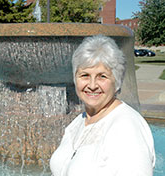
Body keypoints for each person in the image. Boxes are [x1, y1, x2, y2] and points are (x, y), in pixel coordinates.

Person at [49, 35, 156, 176]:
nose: (92, 85)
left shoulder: (127, 127)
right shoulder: (80, 121)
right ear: (75, 79)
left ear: (116, 81)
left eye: (102, 76)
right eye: (85, 75)